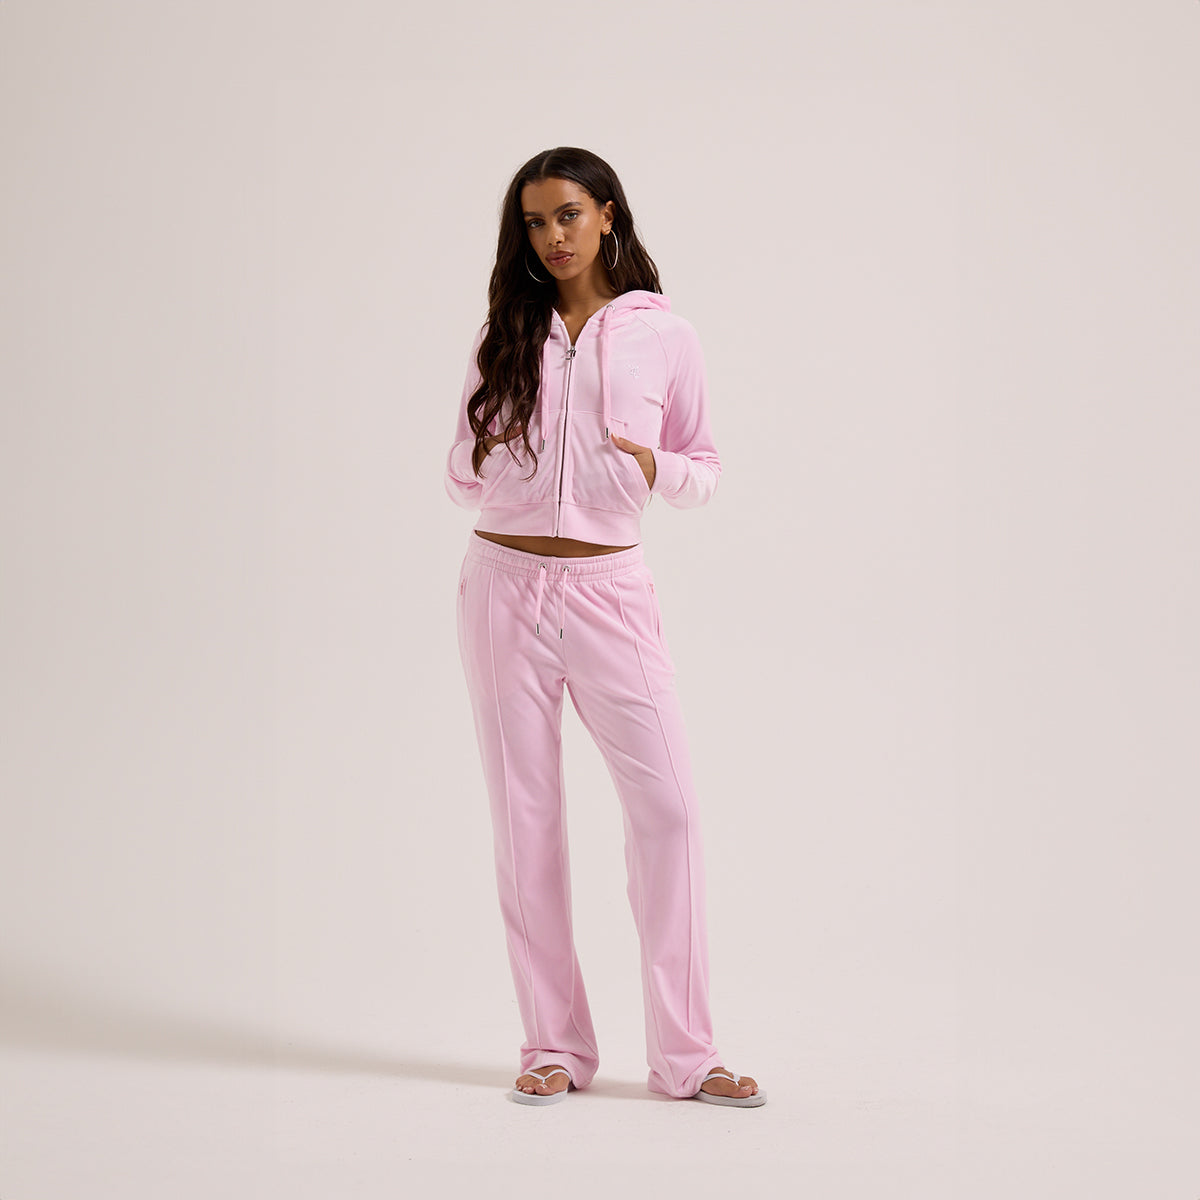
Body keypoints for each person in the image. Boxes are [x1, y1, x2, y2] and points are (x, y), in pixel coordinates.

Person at [444, 147, 764, 1108]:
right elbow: (457, 473)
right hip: (501, 587)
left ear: (608, 214)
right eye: (535, 222)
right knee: (527, 822)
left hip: (610, 590)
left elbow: (704, 467)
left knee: (669, 811)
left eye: (569, 215)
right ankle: (553, 1045)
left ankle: (687, 1056)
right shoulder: (505, 332)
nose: (553, 236)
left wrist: (654, 468)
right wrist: (494, 447)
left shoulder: (666, 335)